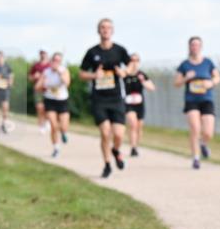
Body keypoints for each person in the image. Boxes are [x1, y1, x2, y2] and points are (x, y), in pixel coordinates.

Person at [79, 18, 130, 178]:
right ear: (98, 31)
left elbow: (131, 65)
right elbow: (81, 73)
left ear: (112, 31)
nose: (105, 30)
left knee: (119, 134)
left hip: (116, 98)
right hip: (99, 99)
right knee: (105, 132)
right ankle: (107, 164)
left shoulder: (120, 50)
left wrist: (124, 72)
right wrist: (94, 75)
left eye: (108, 27)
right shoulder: (92, 52)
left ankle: (115, 150)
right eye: (102, 27)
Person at [174, 36, 220, 170]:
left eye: (197, 45)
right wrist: (186, 78)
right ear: (189, 47)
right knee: (195, 129)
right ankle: (195, 158)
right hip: (191, 101)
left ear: (201, 47)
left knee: (208, 132)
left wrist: (211, 83)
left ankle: (203, 144)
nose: (195, 47)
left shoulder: (208, 62)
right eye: (192, 45)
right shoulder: (184, 65)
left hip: (206, 99)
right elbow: (176, 83)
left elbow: (217, 77)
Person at [36, 52, 71, 157]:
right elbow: (37, 87)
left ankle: (64, 133)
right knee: (53, 125)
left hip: (62, 100)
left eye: (58, 60)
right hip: (50, 100)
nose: (55, 62)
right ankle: (56, 148)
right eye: (54, 60)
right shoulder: (46, 72)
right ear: (51, 61)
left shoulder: (64, 70)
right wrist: (42, 83)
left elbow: (67, 83)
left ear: (60, 62)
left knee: (63, 126)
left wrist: (59, 73)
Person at [123, 53, 155, 157]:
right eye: (132, 60)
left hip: (139, 104)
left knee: (139, 127)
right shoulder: (125, 74)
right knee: (133, 124)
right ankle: (132, 147)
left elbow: (152, 88)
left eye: (136, 60)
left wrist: (143, 81)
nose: (134, 62)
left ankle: (136, 146)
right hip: (128, 103)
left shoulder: (141, 74)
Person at [28, 50, 51, 133]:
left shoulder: (50, 65)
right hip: (38, 90)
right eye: (41, 53)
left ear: (47, 54)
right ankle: (41, 126)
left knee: (48, 108)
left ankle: (47, 121)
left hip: (49, 90)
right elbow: (30, 78)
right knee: (40, 108)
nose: (43, 55)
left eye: (44, 53)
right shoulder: (35, 65)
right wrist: (34, 77)